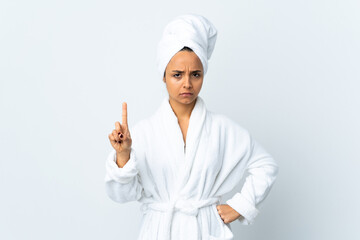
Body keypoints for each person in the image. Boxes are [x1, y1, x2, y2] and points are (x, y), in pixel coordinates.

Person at [105, 13, 278, 240]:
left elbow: (266, 165)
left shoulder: (221, 129)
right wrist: (124, 155)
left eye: (195, 74)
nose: (187, 83)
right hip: (160, 231)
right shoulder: (144, 132)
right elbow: (122, 195)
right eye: (177, 75)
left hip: (206, 231)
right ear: (164, 76)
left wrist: (241, 205)